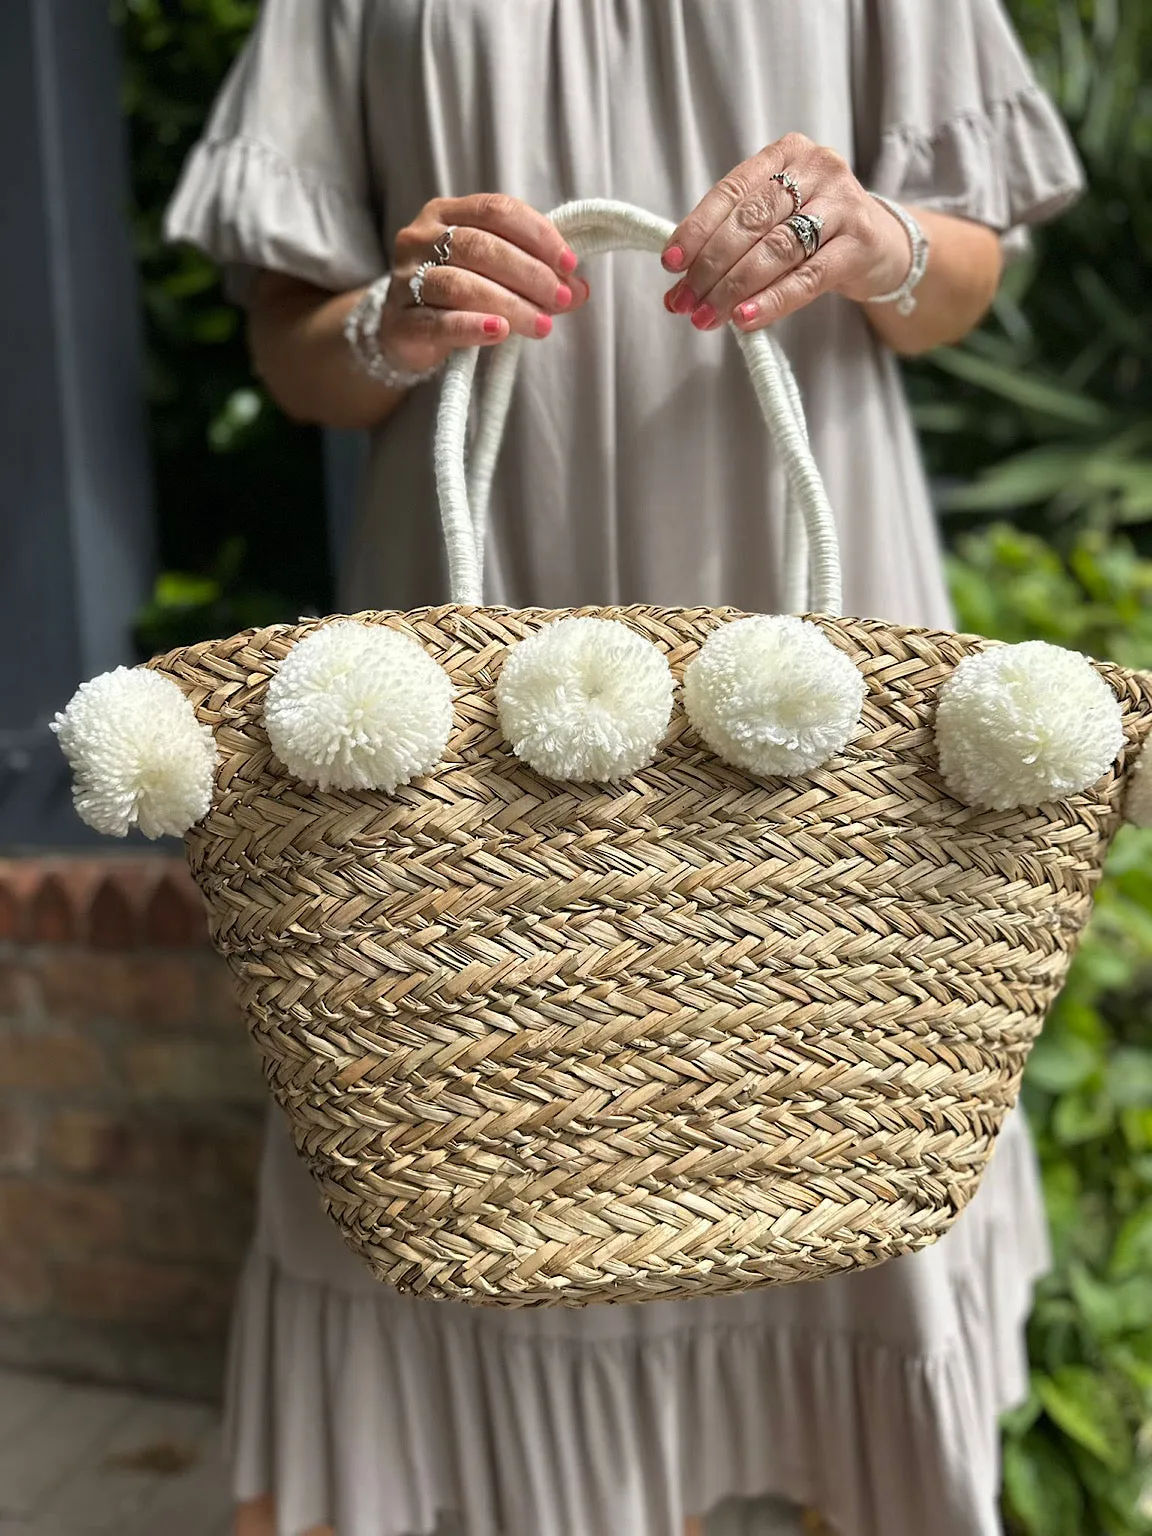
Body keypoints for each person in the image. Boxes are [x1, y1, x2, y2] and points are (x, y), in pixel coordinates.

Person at [164, 4, 1083, 1534]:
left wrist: (876, 242)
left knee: (848, 1102)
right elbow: (296, 344)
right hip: (468, 618)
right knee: (438, 1130)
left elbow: (965, 276)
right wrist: (397, 315)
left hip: (803, 625)